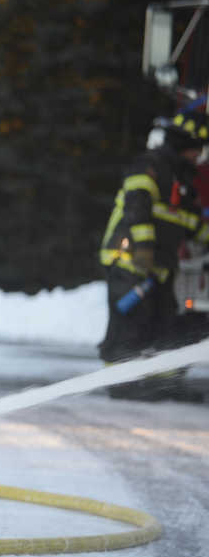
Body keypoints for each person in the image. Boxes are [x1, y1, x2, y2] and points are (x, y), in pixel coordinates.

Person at [98, 109, 209, 400]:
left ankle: (163, 384)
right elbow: (138, 209)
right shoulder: (149, 166)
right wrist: (144, 250)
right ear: (189, 144)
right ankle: (121, 384)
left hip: (158, 268)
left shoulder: (182, 180)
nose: (200, 156)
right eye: (199, 149)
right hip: (130, 260)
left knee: (165, 326)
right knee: (130, 324)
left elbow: (191, 224)